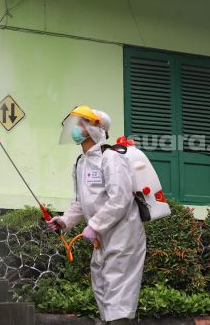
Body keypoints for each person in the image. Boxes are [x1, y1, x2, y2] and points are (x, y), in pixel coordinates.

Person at [47, 105, 146, 325]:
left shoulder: (111, 158)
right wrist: (65, 221)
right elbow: (80, 203)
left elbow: (120, 198)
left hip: (123, 234)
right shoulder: (81, 162)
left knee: (117, 287)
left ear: (94, 129)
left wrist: (95, 225)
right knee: (101, 284)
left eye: (81, 124)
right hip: (102, 236)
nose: (75, 128)